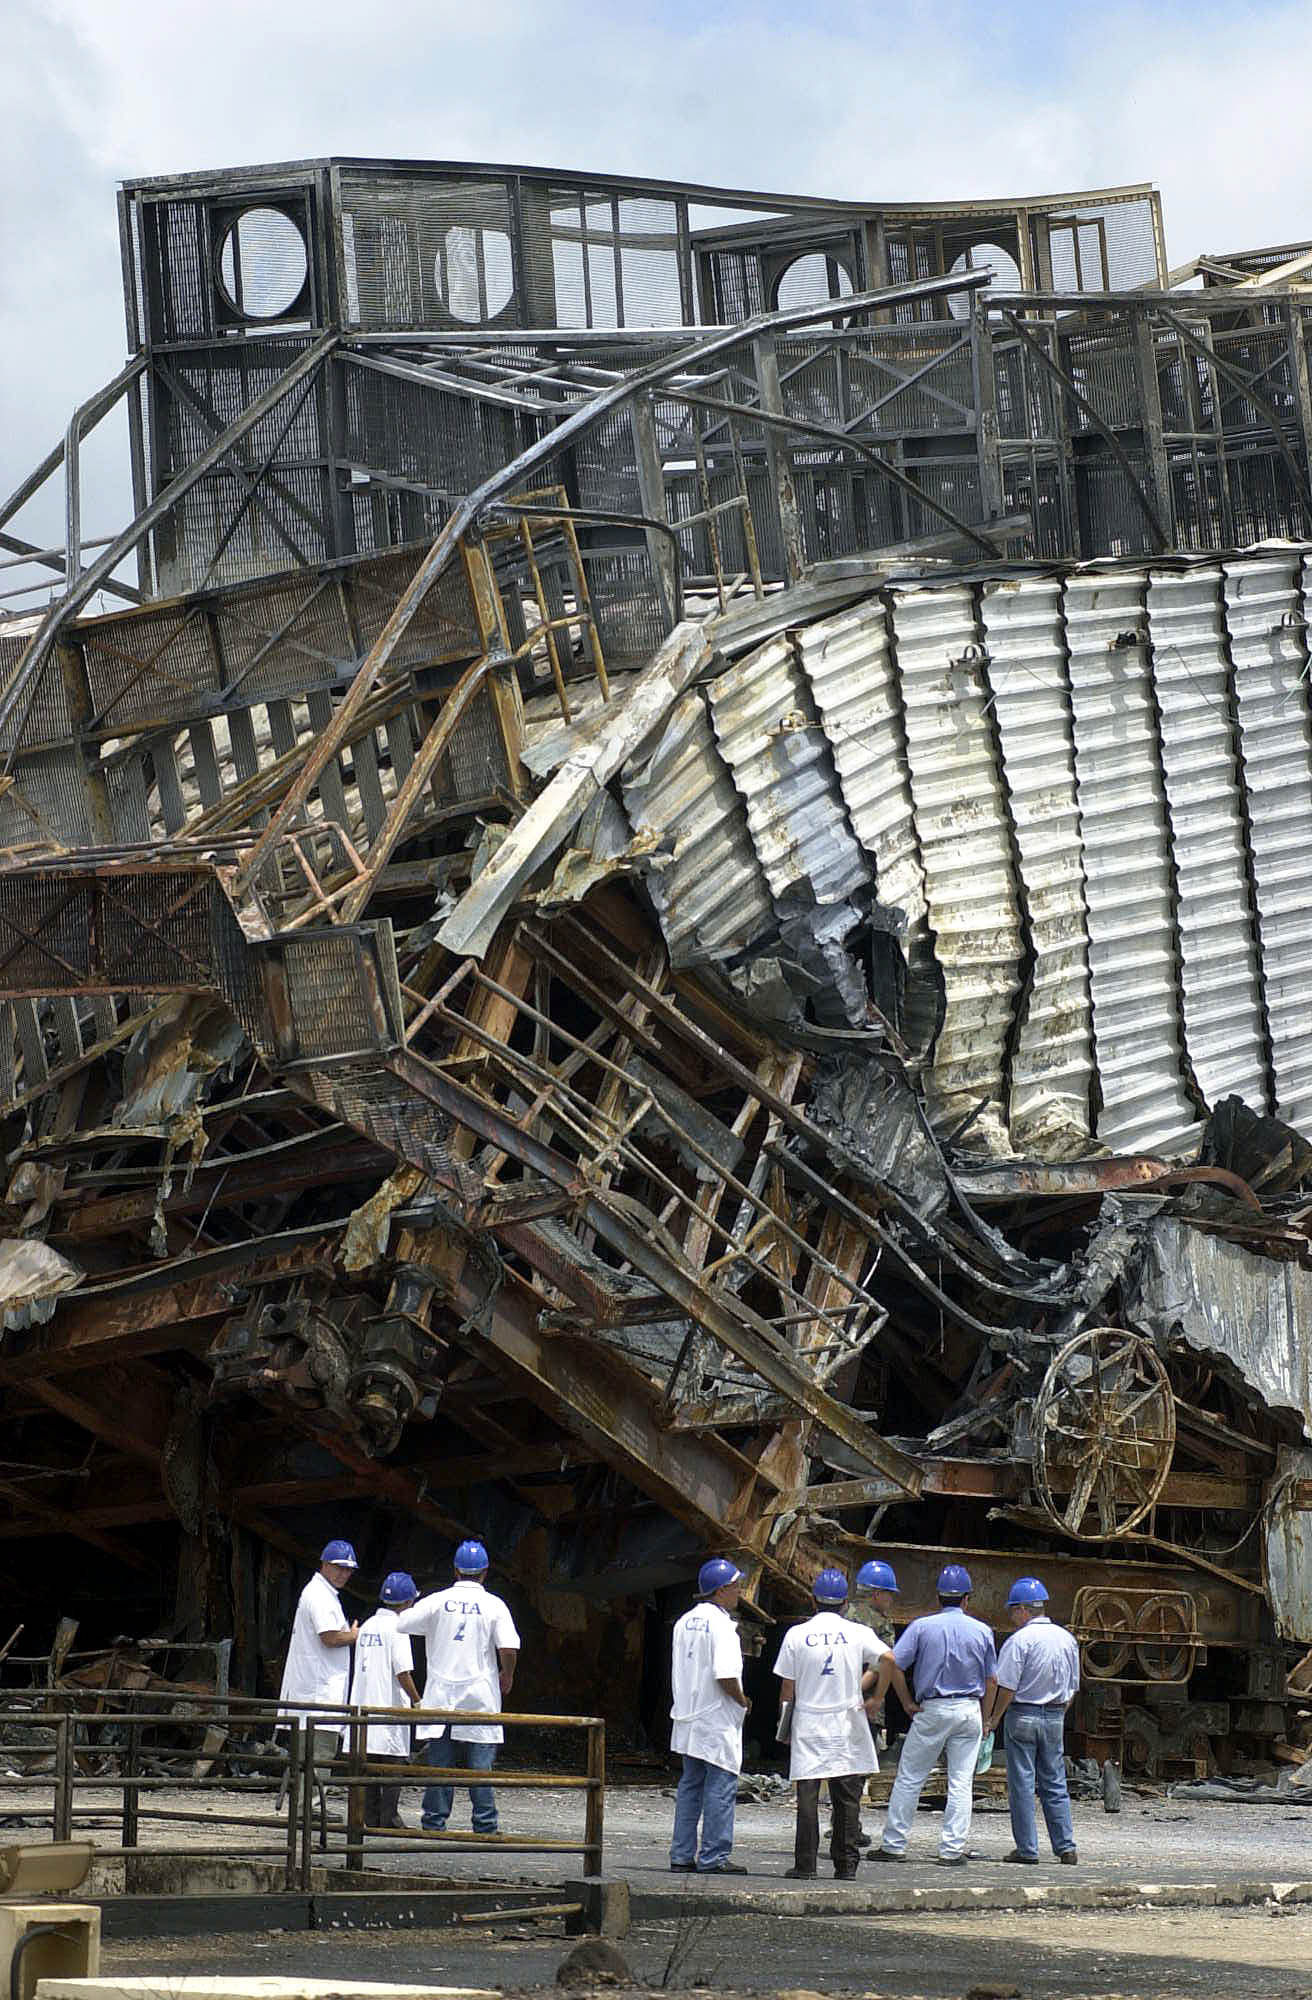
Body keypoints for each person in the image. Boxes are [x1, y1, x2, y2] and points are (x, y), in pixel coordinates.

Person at [869, 1562, 997, 1867]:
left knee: (911, 1777)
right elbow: (992, 1680)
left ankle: (894, 1845)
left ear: (938, 1598)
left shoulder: (921, 1627)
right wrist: (987, 1717)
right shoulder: (982, 1631)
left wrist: (906, 1702)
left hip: (933, 1708)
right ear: (967, 1599)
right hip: (968, 1710)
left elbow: (891, 1663)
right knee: (961, 1781)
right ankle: (951, 1850)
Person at [398, 1539, 520, 1835]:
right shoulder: (494, 1605)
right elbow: (508, 1647)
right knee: (480, 1767)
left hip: (441, 1695)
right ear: (485, 1572)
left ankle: (433, 1824)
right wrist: (507, 1674)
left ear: (455, 1570)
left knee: (440, 1764)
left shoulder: (437, 1601)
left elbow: (402, 1622)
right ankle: (485, 1826)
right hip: (480, 1696)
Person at [773, 1568, 889, 1880]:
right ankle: (846, 1866)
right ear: (844, 1603)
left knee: (808, 1795)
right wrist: (875, 1693)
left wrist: (784, 1726)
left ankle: (805, 1865)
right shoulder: (858, 1633)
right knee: (847, 1798)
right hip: (847, 1722)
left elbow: (788, 1688)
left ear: (813, 1600)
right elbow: (888, 1659)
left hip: (809, 1722)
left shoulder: (796, 1635)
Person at [983, 1576, 1080, 1866]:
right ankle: (1066, 1847)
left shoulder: (1019, 1641)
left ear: (1023, 1609)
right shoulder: (1067, 1639)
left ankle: (1027, 1850)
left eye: (1013, 1611)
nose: (1012, 1617)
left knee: (1022, 1784)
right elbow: (1073, 1687)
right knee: (1055, 1782)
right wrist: (1058, 1714)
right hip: (1054, 1715)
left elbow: (1008, 1687)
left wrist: (993, 1719)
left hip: (1023, 1714)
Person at [668, 1557, 751, 1875]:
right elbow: (726, 1675)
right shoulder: (723, 1627)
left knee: (690, 1785)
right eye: (736, 1587)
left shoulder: (683, 1622)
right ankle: (714, 1857)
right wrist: (743, 1702)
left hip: (688, 1716)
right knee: (720, 1787)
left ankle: (681, 1854)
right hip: (715, 1719)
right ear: (722, 1590)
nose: (739, 1593)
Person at [276, 1538, 361, 1805]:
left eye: (348, 1569)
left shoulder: (320, 1593)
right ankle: (309, 1810)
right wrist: (355, 1635)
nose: (344, 1574)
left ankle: (308, 1807)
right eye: (339, 1567)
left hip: (317, 1690)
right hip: (317, 1694)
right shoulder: (319, 1596)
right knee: (318, 1752)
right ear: (324, 1564)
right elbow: (330, 1637)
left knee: (311, 1755)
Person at [350, 1569, 421, 1830]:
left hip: (364, 1705)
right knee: (393, 1764)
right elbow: (402, 1671)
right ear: (407, 1602)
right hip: (389, 1707)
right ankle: (389, 1817)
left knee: (367, 1763)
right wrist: (417, 1700)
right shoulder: (399, 1628)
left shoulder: (368, 1625)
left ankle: (368, 1816)